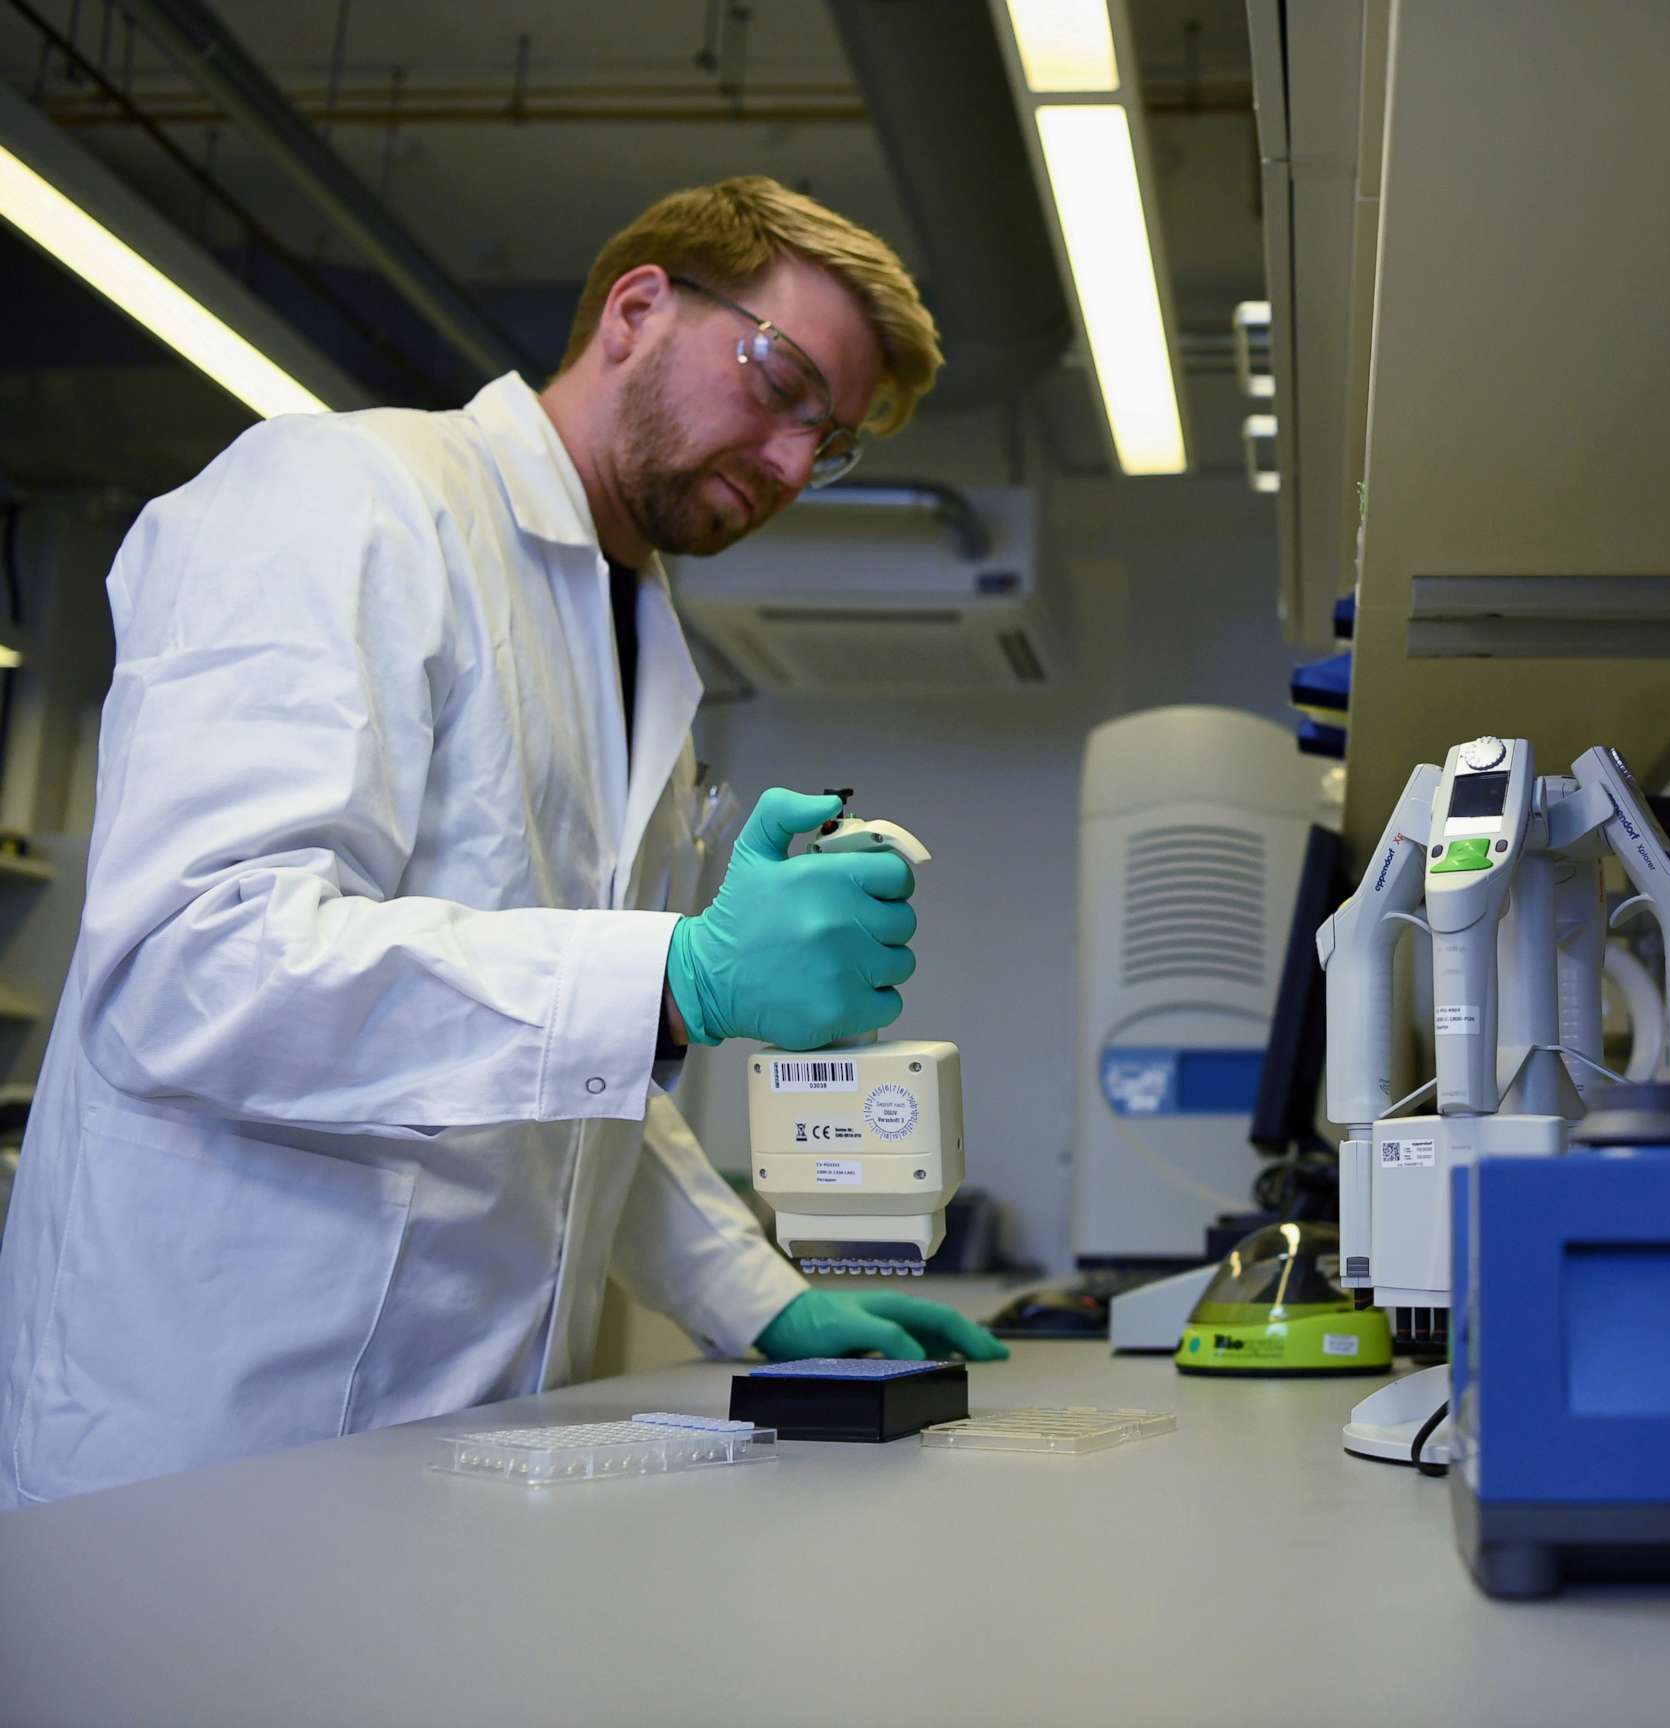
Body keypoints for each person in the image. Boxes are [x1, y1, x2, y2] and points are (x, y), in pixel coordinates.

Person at [0, 176, 1006, 1510]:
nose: (784, 466)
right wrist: (668, 979)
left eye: (825, 447)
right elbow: (192, 966)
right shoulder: (344, 500)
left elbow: (563, 1087)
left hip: (456, 1449)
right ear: (639, 309)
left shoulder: (638, 643)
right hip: (205, 1441)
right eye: (781, 383)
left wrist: (764, 1300)